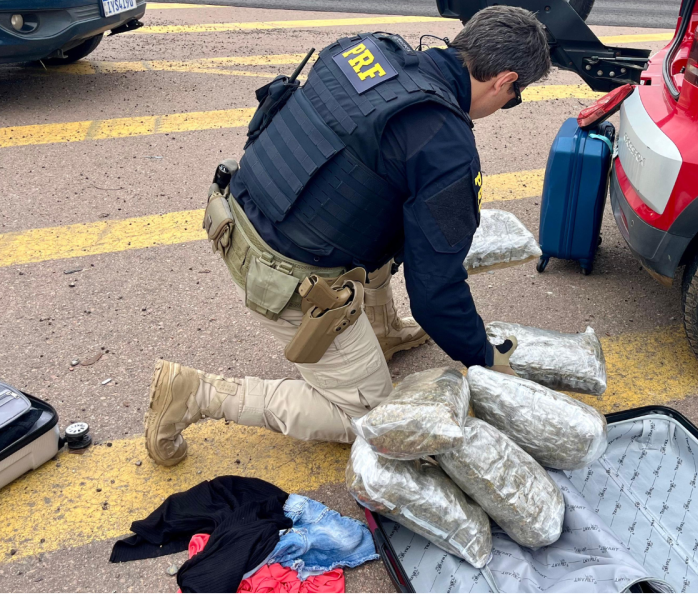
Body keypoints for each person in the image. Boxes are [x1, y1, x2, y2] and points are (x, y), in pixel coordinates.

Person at [144, 5, 551, 466]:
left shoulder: (369, 48)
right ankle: (197, 394)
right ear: (504, 80)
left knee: (390, 192)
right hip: (286, 275)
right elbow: (435, 292)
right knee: (372, 417)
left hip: (237, 210)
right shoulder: (446, 146)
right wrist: (483, 357)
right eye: (514, 96)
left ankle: (380, 330)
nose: (506, 105)